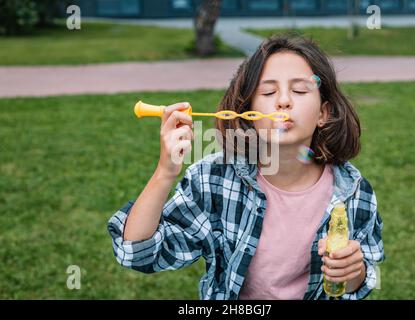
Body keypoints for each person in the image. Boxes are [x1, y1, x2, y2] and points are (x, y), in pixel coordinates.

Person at [107, 34, 385, 300]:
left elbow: (359, 283)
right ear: (248, 113)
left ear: (323, 113)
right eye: (268, 91)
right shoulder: (213, 179)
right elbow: (138, 253)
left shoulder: (352, 192)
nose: (284, 100)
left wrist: (353, 272)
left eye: (300, 90)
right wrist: (165, 170)